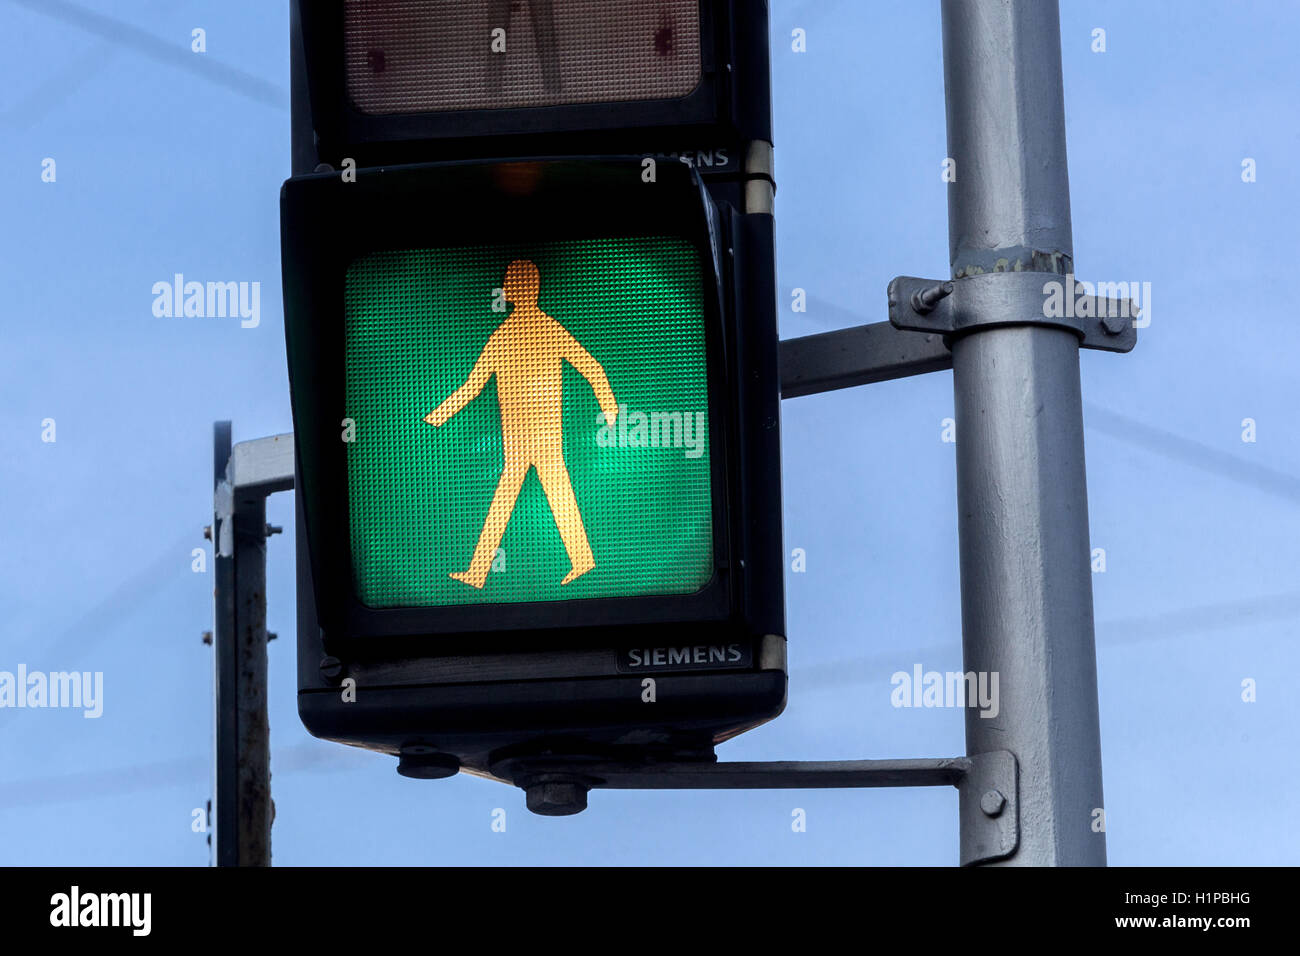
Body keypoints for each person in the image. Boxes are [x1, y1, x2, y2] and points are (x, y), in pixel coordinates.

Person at [425, 259, 618, 589]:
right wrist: (609, 408)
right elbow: (593, 368)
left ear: (516, 289)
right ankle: (579, 560)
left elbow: (472, 387)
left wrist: (439, 416)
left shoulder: (515, 334)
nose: (509, 288)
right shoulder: (535, 330)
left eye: (511, 283)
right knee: (549, 495)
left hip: (530, 437)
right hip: (530, 437)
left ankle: (480, 571)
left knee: (518, 499)